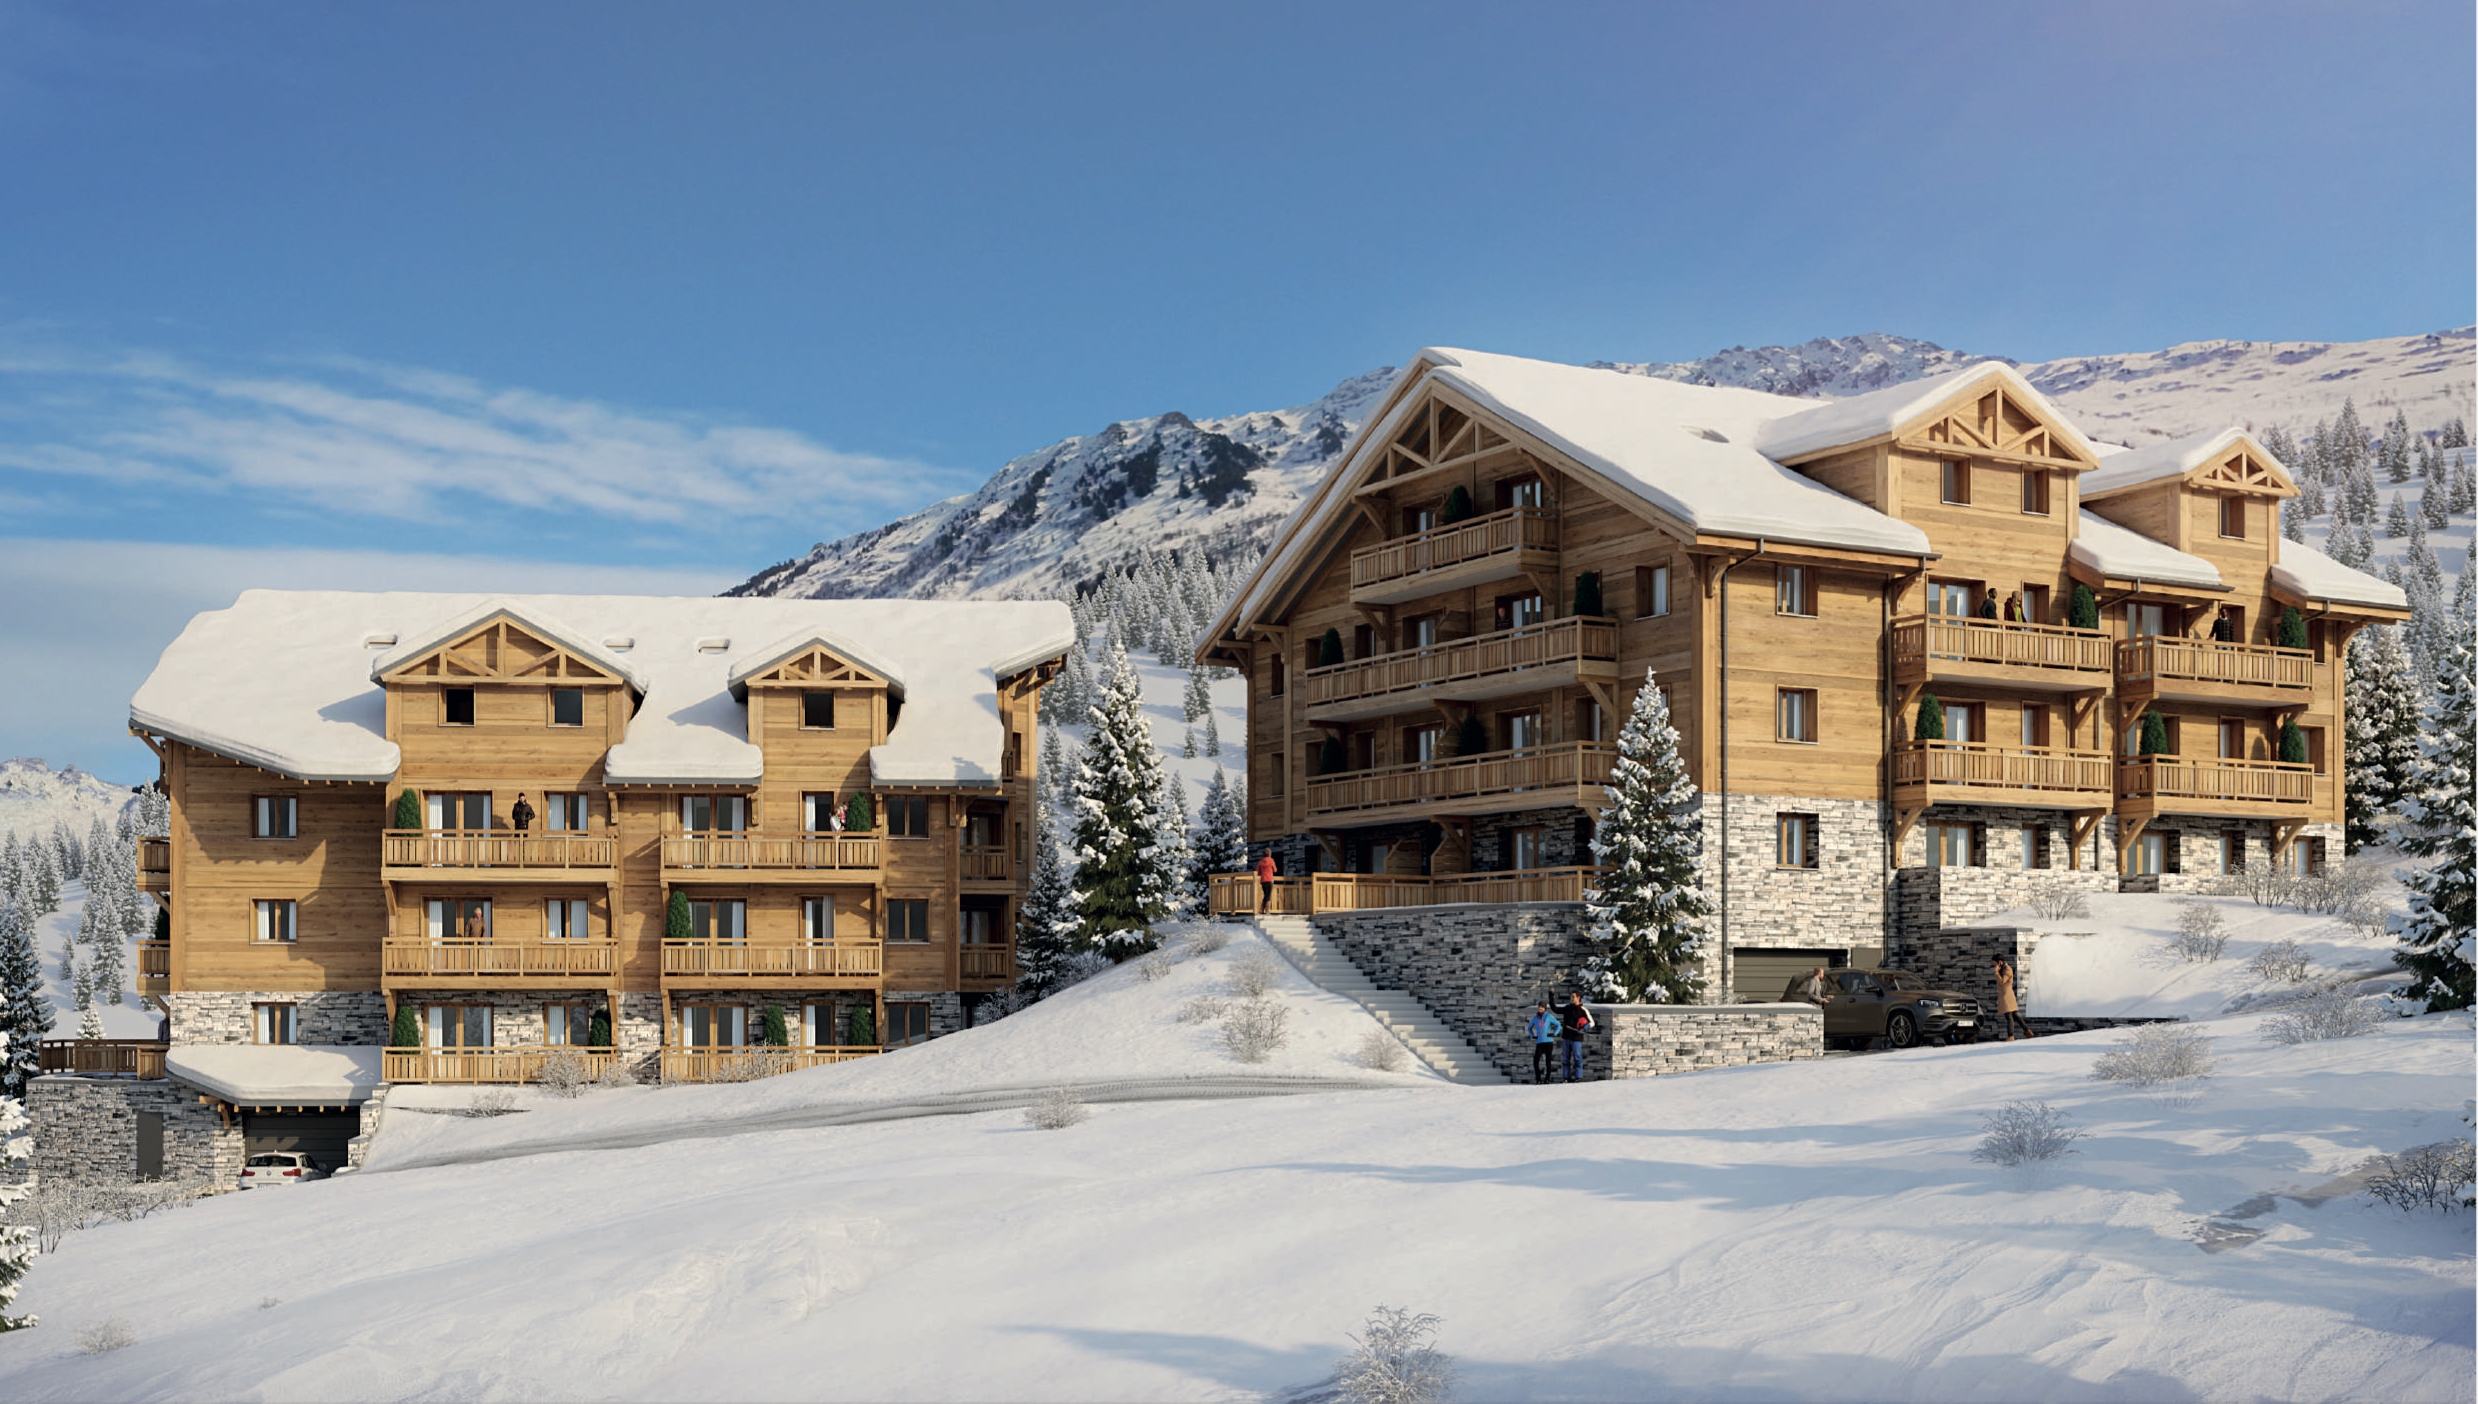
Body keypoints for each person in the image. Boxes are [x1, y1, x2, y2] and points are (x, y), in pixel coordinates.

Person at [1556, 991, 1594, 1083]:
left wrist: (1584, 1028)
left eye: (1573, 996)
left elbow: (1592, 1023)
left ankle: (1578, 1078)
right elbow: (1556, 1010)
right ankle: (1566, 1078)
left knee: (1577, 1058)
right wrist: (1551, 997)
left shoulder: (1583, 1009)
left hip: (1577, 1038)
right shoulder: (1567, 1008)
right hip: (1566, 1037)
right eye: (1571, 996)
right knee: (1565, 1059)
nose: (1571, 998)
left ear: (1578, 997)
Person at [1993, 956, 2033, 1040]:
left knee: (2009, 1016)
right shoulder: (2002, 969)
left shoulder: (2007, 969)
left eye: (1995, 962)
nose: (1994, 964)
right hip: (2004, 995)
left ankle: (2010, 1036)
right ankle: (2027, 1031)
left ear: (1999, 961)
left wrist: (1996, 972)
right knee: (2014, 1015)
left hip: (2007, 996)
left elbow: (2003, 981)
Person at [1525, 1001, 1562, 1085]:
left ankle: (1547, 1079)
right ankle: (1538, 1080)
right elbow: (1529, 1028)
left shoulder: (1549, 1017)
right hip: (1539, 1042)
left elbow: (1558, 1025)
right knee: (1535, 1061)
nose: (1540, 1008)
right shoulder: (1535, 1018)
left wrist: (1554, 1033)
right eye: (1539, 1006)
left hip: (1548, 1042)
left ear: (1545, 1008)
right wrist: (1532, 1035)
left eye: (1542, 1007)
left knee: (1547, 1061)